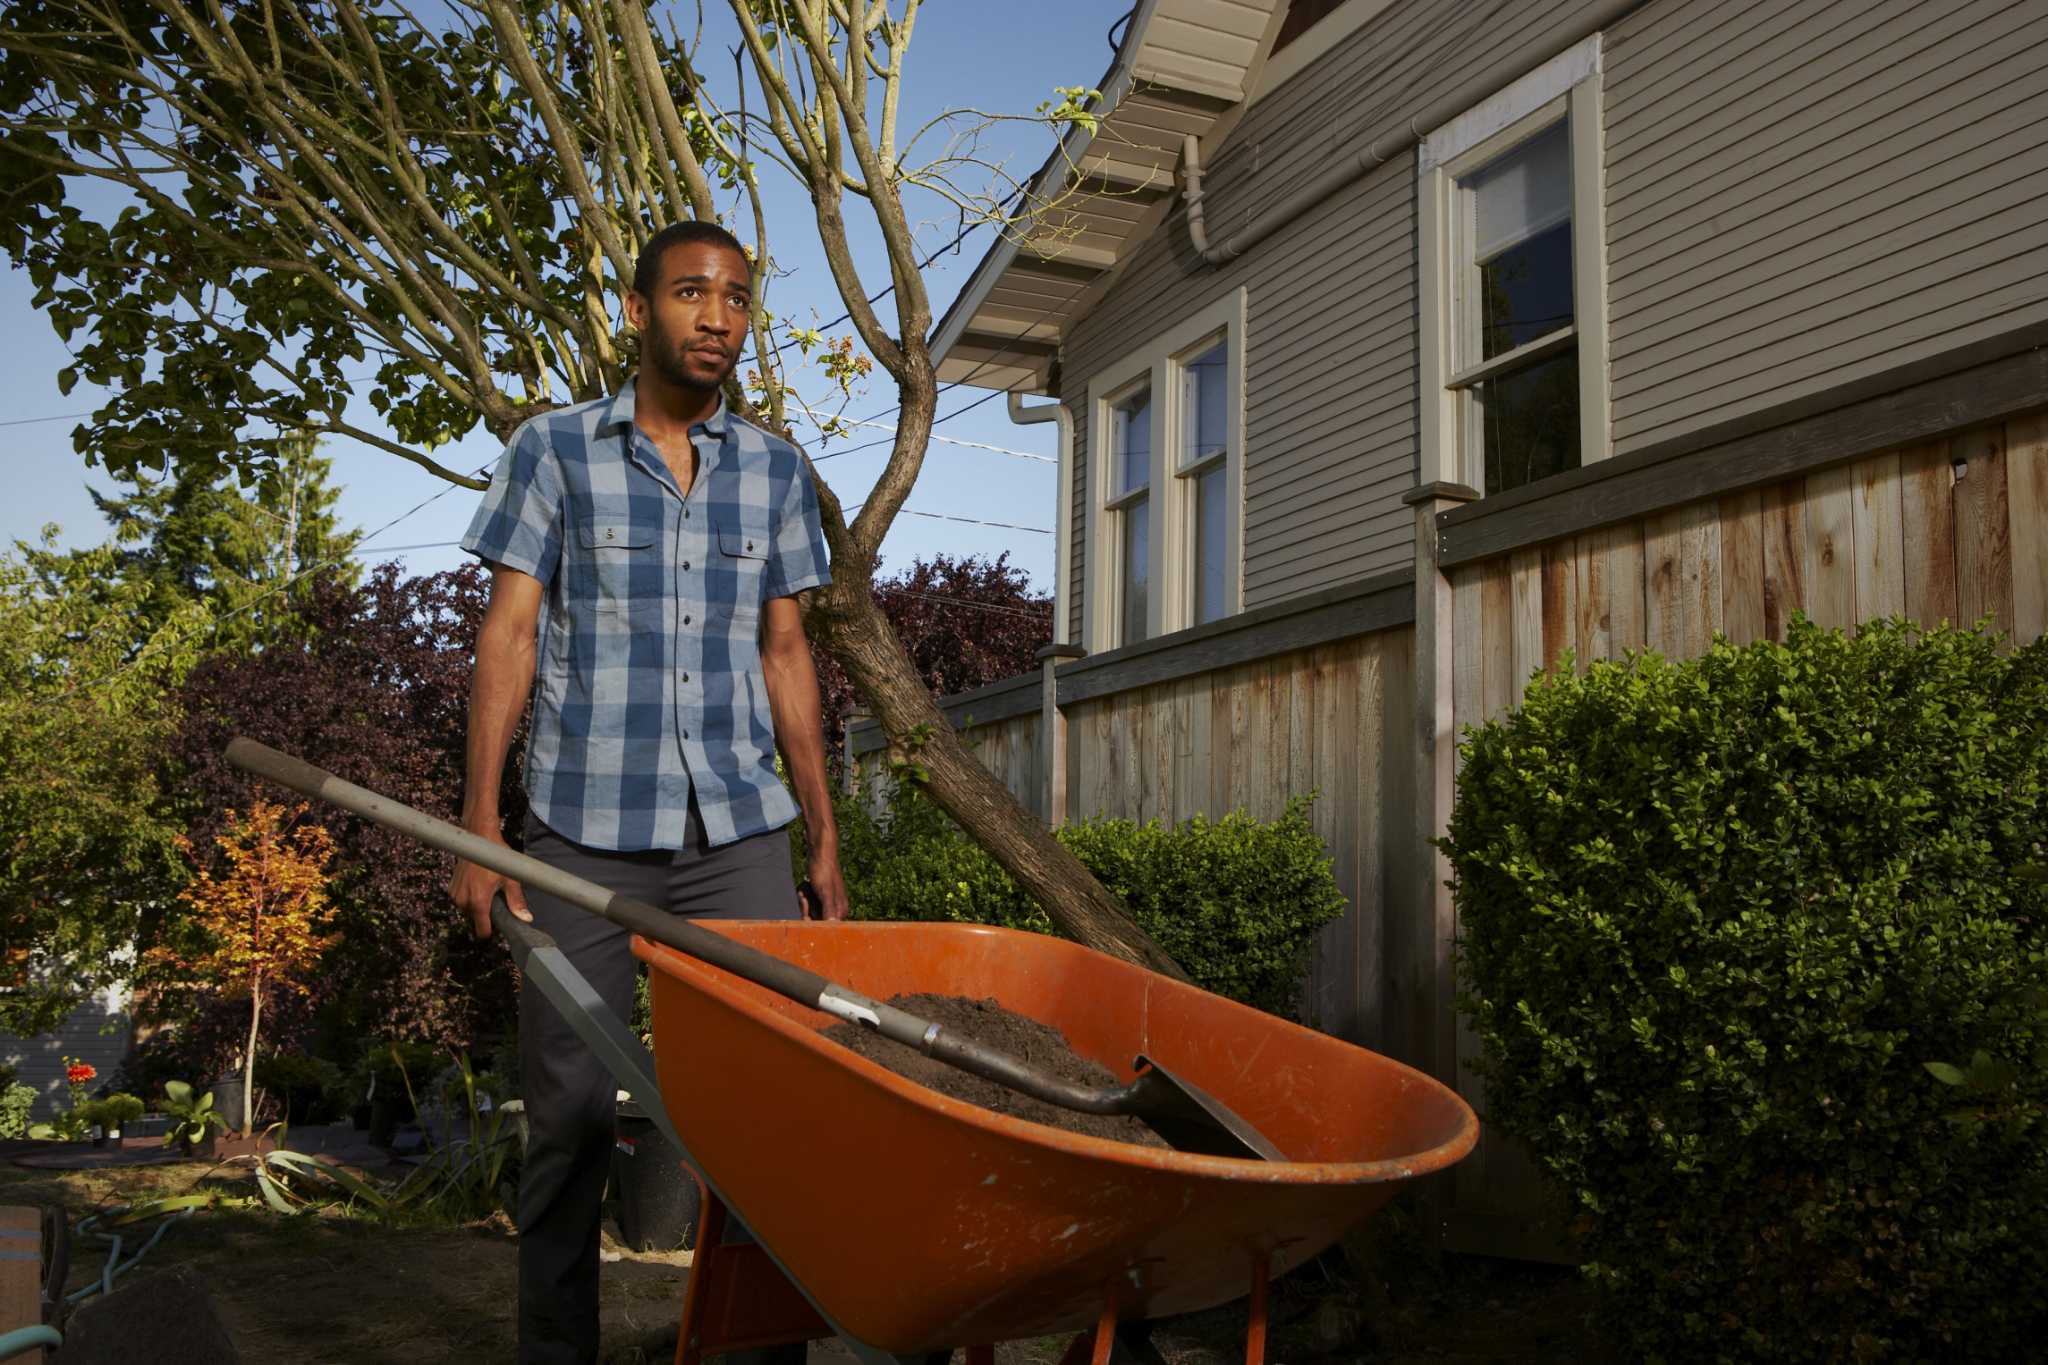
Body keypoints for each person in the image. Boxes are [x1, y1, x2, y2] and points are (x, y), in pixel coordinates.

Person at [447, 219, 847, 1365]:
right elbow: (509, 636)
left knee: (770, 1108)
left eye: (734, 298)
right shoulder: (554, 451)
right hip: (578, 833)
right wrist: (479, 828)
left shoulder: (774, 470)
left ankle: (754, 1349)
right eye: (689, 293)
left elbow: (785, 655)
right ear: (637, 311)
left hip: (737, 834)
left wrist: (819, 837)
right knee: (570, 1120)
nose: (716, 316)